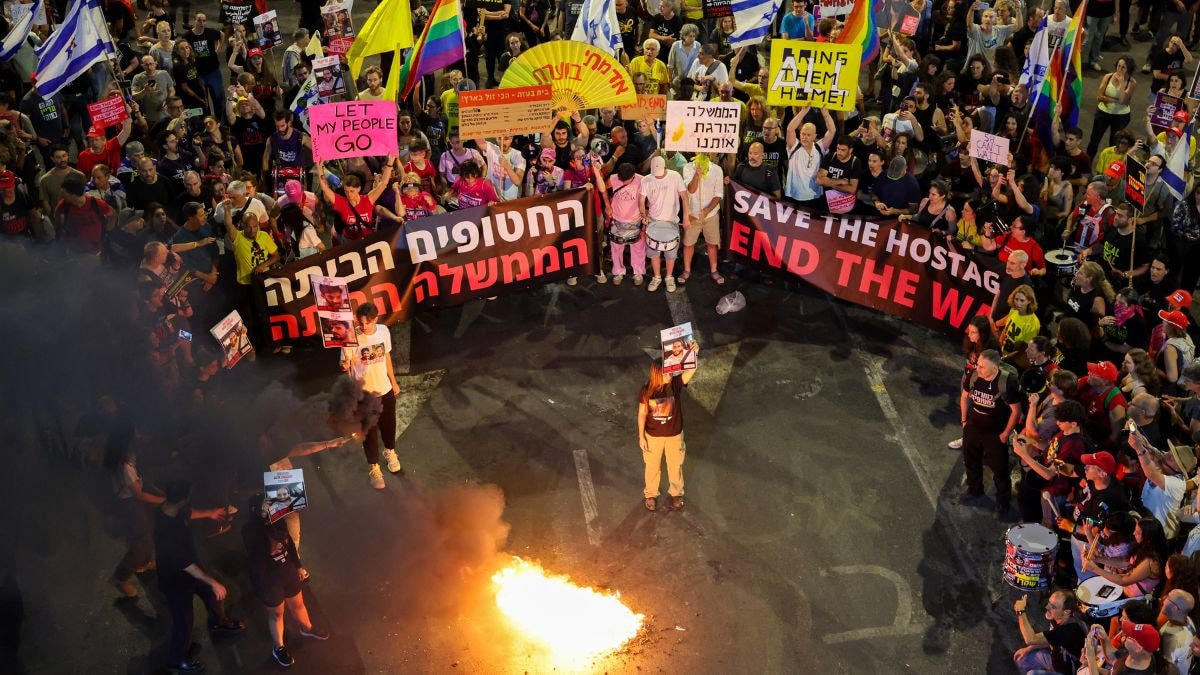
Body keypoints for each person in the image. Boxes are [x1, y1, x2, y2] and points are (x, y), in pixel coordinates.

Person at [153, 479, 244, 673]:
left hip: (190, 568)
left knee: (212, 595)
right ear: (183, 499)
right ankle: (177, 660)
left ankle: (219, 623)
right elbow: (185, 564)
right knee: (184, 622)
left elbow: (188, 513)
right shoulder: (167, 532)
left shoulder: (168, 508)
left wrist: (210, 513)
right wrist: (212, 582)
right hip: (176, 580)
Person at [241, 493, 329, 668]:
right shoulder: (249, 529)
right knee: (277, 614)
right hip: (269, 580)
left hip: (287, 572)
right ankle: (279, 647)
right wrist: (262, 518)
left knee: (298, 605)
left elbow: (290, 545)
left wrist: (298, 566)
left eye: (270, 504)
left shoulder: (278, 521)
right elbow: (257, 551)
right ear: (255, 509)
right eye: (265, 506)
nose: (270, 508)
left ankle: (307, 628)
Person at [341, 303, 402, 490]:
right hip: (364, 395)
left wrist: (393, 382)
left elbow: (387, 357)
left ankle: (390, 452)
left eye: (367, 323)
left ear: (376, 319)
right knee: (369, 433)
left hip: (384, 389)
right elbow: (345, 366)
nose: (363, 326)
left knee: (389, 426)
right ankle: (374, 467)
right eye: (360, 323)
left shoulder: (383, 331)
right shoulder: (350, 336)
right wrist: (344, 366)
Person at [958, 349, 1022, 519]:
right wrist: (964, 420)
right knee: (970, 460)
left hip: (995, 434)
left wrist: (1006, 433)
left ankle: (1002, 502)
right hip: (973, 428)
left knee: (999, 470)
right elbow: (964, 396)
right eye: (978, 365)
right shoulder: (974, 376)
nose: (978, 369)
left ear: (995, 367)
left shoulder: (1007, 382)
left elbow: (1016, 411)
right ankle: (974, 489)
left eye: (982, 367)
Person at [638, 348, 700, 512]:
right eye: (666, 372)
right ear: (656, 373)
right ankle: (651, 494)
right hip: (653, 437)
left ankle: (676, 493)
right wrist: (641, 437)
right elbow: (642, 413)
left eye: (670, 371)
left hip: (674, 436)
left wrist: (693, 353)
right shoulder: (646, 391)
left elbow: (691, 370)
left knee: (675, 466)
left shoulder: (675, 384)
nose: (669, 375)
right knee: (652, 467)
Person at [639, 155, 690, 293]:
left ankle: (669, 277)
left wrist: (686, 217)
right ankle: (657, 277)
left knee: (670, 253)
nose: (657, 175)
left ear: (665, 167)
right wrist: (643, 215)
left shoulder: (675, 176)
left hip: (671, 221)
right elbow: (641, 199)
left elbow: (684, 197)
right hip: (653, 221)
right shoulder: (646, 179)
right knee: (654, 252)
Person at [1011, 591, 1087, 675]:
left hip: (1067, 672)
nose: (1047, 607)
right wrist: (1028, 649)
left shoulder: (1068, 631)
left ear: (1066, 612)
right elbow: (1050, 639)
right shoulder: (1059, 617)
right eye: (1049, 603)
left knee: (1032, 674)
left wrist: (1020, 612)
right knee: (1021, 658)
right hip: (1056, 661)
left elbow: (1030, 639)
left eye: (1053, 607)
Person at [679, 152, 723, 286]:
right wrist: (697, 175)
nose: (702, 153)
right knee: (688, 244)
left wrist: (707, 210)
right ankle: (687, 270)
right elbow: (691, 190)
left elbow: (718, 194)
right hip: (692, 214)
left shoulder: (717, 169)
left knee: (712, 244)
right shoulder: (688, 167)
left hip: (711, 215)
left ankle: (714, 270)